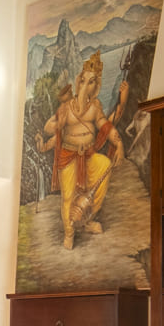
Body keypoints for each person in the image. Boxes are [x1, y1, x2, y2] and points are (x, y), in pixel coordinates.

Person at [42, 54, 126, 251]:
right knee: (68, 197)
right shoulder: (66, 108)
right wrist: (57, 122)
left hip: (87, 154)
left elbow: (105, 127)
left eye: (91, 82)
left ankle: (87, 220)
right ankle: (69, 232)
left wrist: (119, 143)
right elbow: (48, 128)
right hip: (69, 156)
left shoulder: (95, 107)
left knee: (104, 166)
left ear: (95, 86)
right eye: (83, 81)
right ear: (78, 82)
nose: (86, 85)